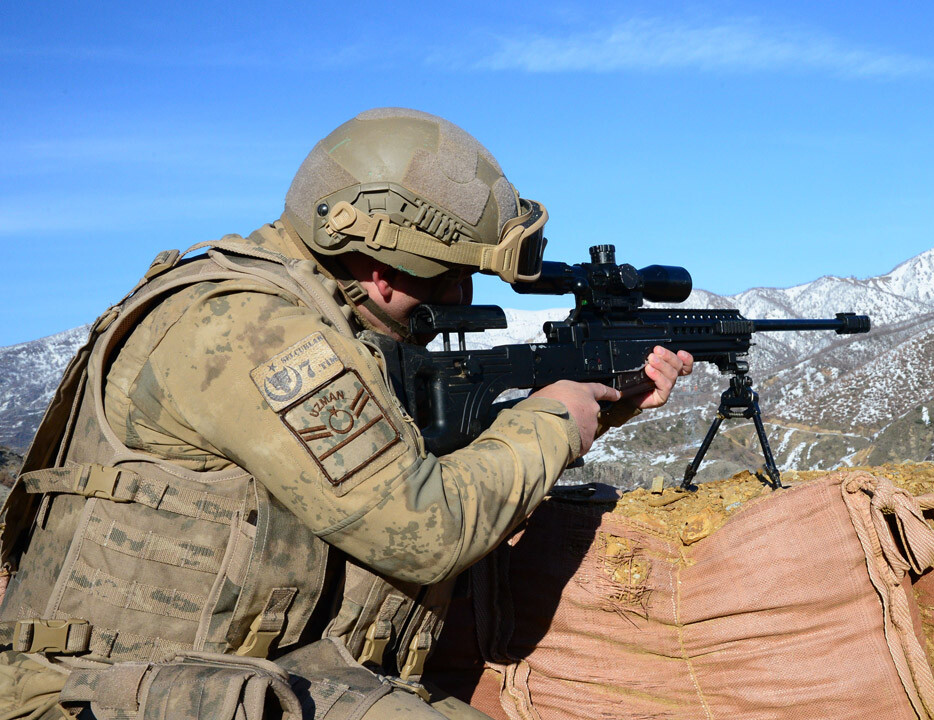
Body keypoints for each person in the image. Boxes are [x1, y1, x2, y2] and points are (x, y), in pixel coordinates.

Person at [0, 108, 693, 719]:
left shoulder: (324, 317)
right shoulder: (250, 328)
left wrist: (592, 410)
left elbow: (403, 459)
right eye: (448, 273)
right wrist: (549, 422)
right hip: (101, 693)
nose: (457, 295)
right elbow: (424, 529)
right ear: (379, 267)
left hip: (236, 678)